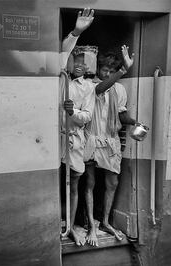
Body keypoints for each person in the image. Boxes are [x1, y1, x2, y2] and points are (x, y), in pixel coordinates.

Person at [83, 45, 139, 246]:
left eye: (111, 71)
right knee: (89, 183)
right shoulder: (90, 85)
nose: (107, 73)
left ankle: (105, 222)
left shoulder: (120, 89)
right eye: (104, 69)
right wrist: (124, 70)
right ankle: (91, 224)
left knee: (112, 183)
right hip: (92, 138)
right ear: (98, 68)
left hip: (111, 140)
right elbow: (101, 88)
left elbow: (121, 114)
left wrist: (134, 122)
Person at [60, 7, 95, 247]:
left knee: (73, 185)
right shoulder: (60, 76)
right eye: (76, 58)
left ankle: (71, 226)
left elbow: (88, 115)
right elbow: (63, 51)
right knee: (55, 182)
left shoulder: (88, 87)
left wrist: (73, 112)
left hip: (73, 140)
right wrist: (76, 31)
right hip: (53, 141)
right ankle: (62, 223)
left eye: (84, 61)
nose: (79, 64)